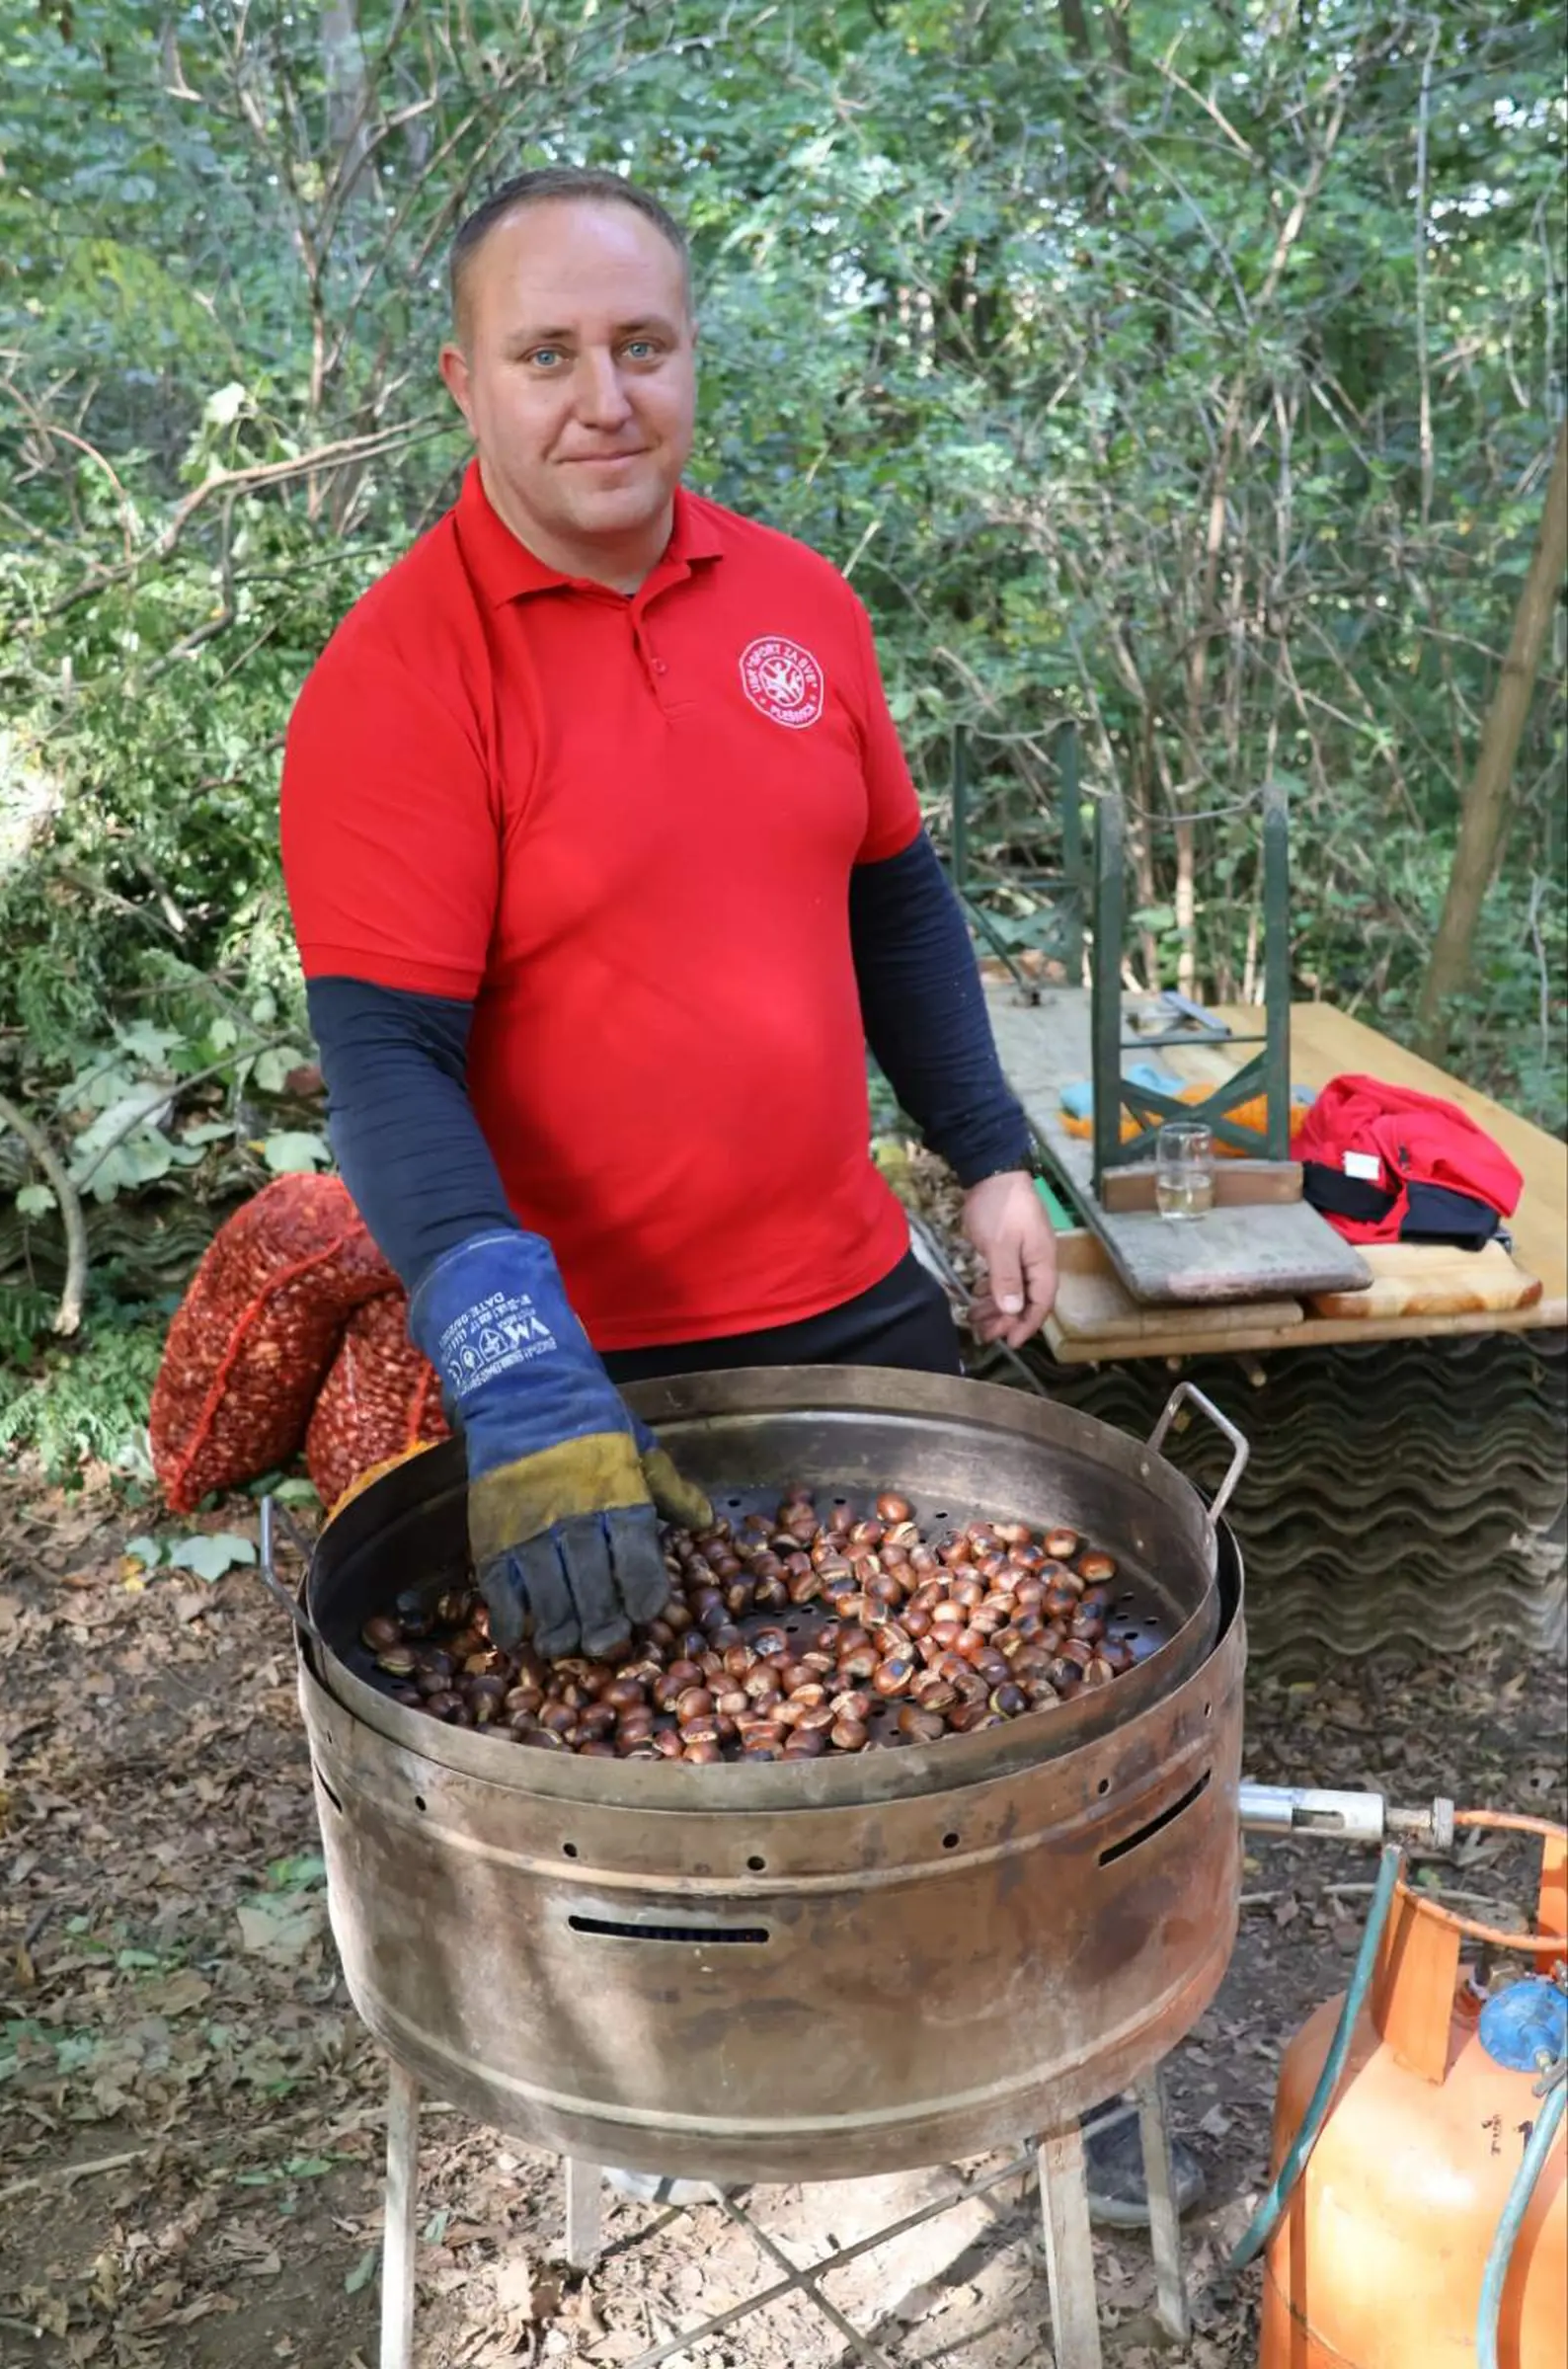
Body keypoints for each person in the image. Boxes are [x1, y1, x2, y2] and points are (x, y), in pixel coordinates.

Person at [278, 166, 1197, 2226]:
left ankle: (1045, 2050)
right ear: (464, 381)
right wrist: (514, 1366)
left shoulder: (798, 603)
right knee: (637, 1775)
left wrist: (980, 1154)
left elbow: (891, 887)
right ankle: (682, 2094)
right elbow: (388, 1068)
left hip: (841, 1292)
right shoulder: (396, 685)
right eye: (547, 355)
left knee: (993, 1717)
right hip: (576, 1359)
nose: (600, 397)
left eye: (641, 346)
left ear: (689, 358)